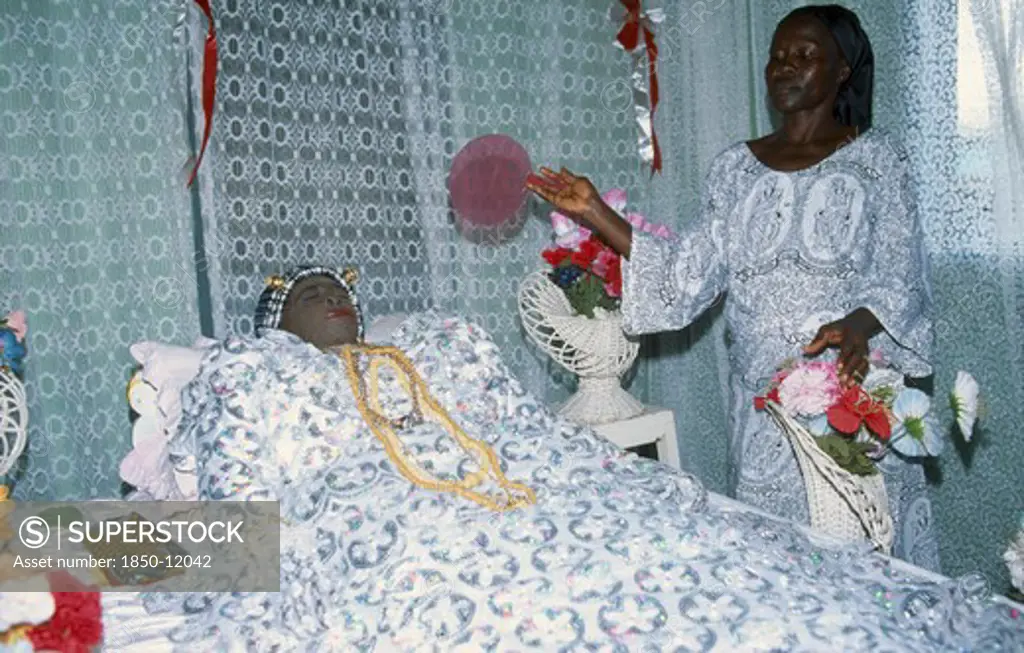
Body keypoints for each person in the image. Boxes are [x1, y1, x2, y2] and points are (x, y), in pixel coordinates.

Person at [527, 5, 940, 571]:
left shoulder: (879, 160)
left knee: (869, 580)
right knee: (778, 578)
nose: (785, 66)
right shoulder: (733, 170)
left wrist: (861, 325)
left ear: (843, 69)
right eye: (776, 56)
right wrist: (594, 211)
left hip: (850, 405)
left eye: (805, 55)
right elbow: (686, 277)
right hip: (763, 419)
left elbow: (901, 274)